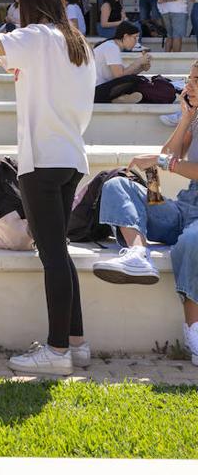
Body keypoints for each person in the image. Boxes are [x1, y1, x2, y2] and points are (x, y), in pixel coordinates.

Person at [0, 0, 95, 376]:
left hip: (43, 160)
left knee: (51, 255)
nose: (15, 13)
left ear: (30, 5)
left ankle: (56, 352)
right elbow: (50, 85)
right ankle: (76, 343)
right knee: (60, 250)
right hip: (71, 157)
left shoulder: (35, 36)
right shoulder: (77, 43)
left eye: (17, 5)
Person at [90, 62, 198, 366]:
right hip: (184, 206)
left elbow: (165, 163)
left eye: (195, 80)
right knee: (117, 185)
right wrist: (186, 119)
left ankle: (193, 330)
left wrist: (163, 165)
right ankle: (137, 255)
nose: (188, 85)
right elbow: (167, 156)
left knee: (192, 242)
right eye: (189, 79)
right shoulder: (195, 119)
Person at [93, 21, 152, 104]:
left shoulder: (112, 46)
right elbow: (119, 76)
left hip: (97, 90)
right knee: (133, 80)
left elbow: (124, 73)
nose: (136, 42)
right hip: (94, 92)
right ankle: (119, 98)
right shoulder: (111, 47)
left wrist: (141, 67)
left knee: (133, 78)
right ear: (126, 36)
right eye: (134, 38)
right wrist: (137, 62)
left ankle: (119, 98)